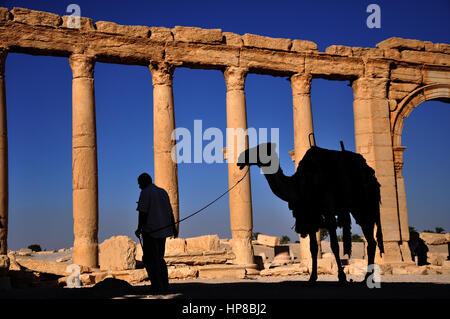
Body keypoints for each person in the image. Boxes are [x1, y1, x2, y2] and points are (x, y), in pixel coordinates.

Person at [135, 173, 178, 294]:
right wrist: (174, 228)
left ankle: (156, 286)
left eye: (139, 183)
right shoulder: (162, 192)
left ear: (144, 182)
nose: (139, 186)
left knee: (149, 259)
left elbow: (142, 213)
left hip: (151, 231)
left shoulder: (145, 192)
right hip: (163, 231)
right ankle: (164, 285)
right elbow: (170, 212)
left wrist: (139, 228)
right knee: (159, 259)